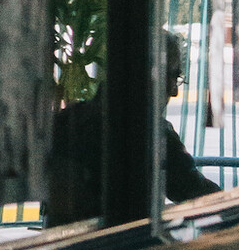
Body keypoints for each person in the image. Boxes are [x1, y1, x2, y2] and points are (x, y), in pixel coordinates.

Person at [47, 31, 222, 225]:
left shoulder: (68, 122)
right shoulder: (153, 135)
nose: (174, 90)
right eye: (172, 76)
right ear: (146, 74)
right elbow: (200, 195)